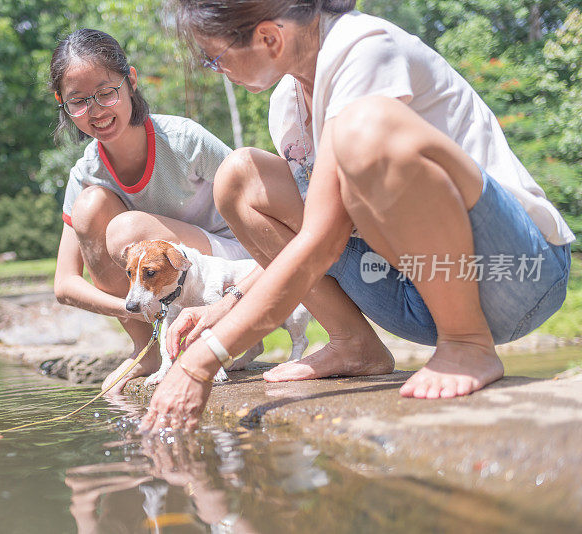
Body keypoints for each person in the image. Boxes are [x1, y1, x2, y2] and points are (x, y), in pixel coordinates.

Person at [141, 0, 574, 431]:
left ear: (270, 38)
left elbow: (323, 242)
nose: (219, 72)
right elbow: (320, 230)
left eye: (215, 58)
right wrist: (229, 302)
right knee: (240, 178)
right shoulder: (287, 108)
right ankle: (354, 343)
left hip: (515, 273)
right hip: (415, 298)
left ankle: (467, 342)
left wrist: (205, 358)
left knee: (363, 128)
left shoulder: (366, 48)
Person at [50, 29, 250, 392]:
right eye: (78, 101)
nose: (95, 111)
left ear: (131, 81)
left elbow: (256, 200)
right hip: (162, 287)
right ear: (61, 102)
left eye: (106, 93)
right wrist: (132, 306)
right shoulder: (86, 173)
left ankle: (195, 341)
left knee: (127, 232)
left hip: (232, 265)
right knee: (90, 206)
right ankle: (149, 349)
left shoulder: (185, 140)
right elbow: (64, 284)